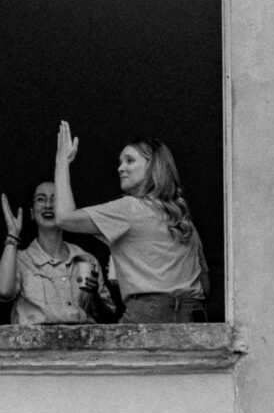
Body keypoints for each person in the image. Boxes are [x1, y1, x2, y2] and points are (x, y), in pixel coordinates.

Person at [54, 121, 210, 324]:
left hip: (149, 313)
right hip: (194, 315)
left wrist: (61, 163)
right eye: (120, 162)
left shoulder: (130, 209)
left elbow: (64, 218)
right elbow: (205, 283)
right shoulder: (181, 218)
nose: (120, 168)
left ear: (152, 166)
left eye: (129, 161)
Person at [0, 179, 116, 324]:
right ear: (32, 212)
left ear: (65, 211)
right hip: (34, 345)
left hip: (82, 344)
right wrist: (12, 235)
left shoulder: (86, 260)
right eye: (41, 199)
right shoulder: (20, 260)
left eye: (55, 200)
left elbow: (108, 319)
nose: (48, 205)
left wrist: (94, 296)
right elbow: (4, 291)